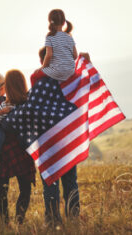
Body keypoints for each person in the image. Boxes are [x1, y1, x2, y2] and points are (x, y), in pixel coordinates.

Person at [31, 46, 91, 226]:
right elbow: (85, 79)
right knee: (70, 181)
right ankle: (73, 218)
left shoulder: (37, 78)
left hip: (47, 141)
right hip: (66, 140)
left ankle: (52, 220)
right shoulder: (67, 79)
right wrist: (83, 61)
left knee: (51, 182)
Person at [0, 70, 36, 225]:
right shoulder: (29, 103)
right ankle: (19, 220)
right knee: (25, 188)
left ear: (7, 86)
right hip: (23, 150)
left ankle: (5, 222)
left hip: (5, 151)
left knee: (2, 188)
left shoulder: (4, 105)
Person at [40, 9, 78, 82]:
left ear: (50, 21)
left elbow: (49, 55)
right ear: (64, 22)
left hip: (57, 72)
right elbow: (75, 55)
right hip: (71, 71)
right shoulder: (69, 37)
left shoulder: (50, 37)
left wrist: (43, 68)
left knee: (35, 76)